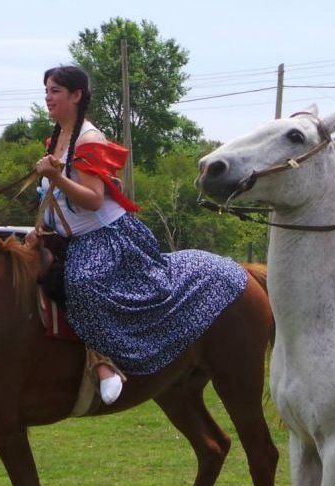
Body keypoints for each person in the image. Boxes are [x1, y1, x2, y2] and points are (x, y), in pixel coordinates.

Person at [33, 65, 247, 403]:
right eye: (46, 90)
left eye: (55, 91)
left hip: (105, 237)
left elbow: (92, 200)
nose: (48, 97)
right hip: (67, 237)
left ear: (76, 96)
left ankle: (104, 362)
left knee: (83, 282)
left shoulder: (88, 140)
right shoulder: (56, 140)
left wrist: (56, 177)